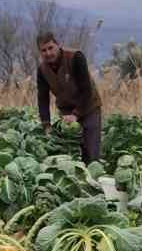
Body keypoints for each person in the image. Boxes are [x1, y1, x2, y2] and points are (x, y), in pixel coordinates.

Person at [36, 32, 103, 164]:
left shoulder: (75, 57)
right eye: (44, 50)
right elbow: (43, 98)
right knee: (68, 153)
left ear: (57, 45)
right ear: (40, 52)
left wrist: (76, 115)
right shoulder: (42, 70)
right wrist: (46, 124)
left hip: (88, 107)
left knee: (90, 152)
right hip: (66, 111)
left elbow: (86, 90)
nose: (48, 53)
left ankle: (93, 179)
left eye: (50, 48)